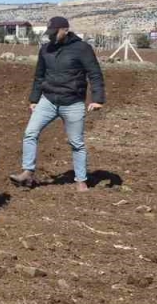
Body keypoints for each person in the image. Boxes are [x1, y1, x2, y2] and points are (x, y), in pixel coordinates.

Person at [9, 16, 105, 192]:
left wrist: (97, 99)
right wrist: (34, 100)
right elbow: (39, 76)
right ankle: (27, 172)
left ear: (65, 30)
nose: (51, 36)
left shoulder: (82, 49)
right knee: (30, 133)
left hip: (73, 102)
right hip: (48, 100)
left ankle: (81, 180)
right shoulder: (46, 49)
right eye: (49, 33)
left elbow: (95, 74)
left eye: (55, 33)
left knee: (76, 143)